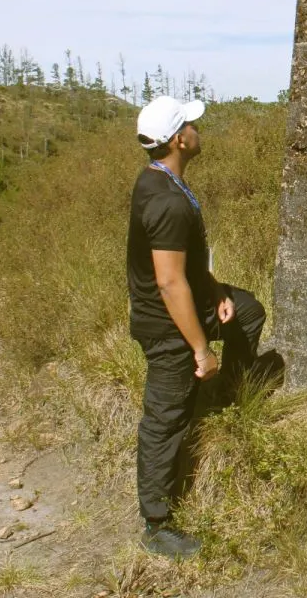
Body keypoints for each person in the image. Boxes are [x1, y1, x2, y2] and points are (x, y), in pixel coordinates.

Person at [126, 95, 267, 558]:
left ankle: (227, 395)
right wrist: (201, 350)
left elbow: (187, 267)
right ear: (177, 140)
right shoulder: (166, 201)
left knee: (247, 310)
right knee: (166, 418)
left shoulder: (164, 181)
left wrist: (217, 291)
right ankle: (157, 523)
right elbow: (169, 283)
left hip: (190, 304)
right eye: (190, 124)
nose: (196, 129)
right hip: (168, 326)